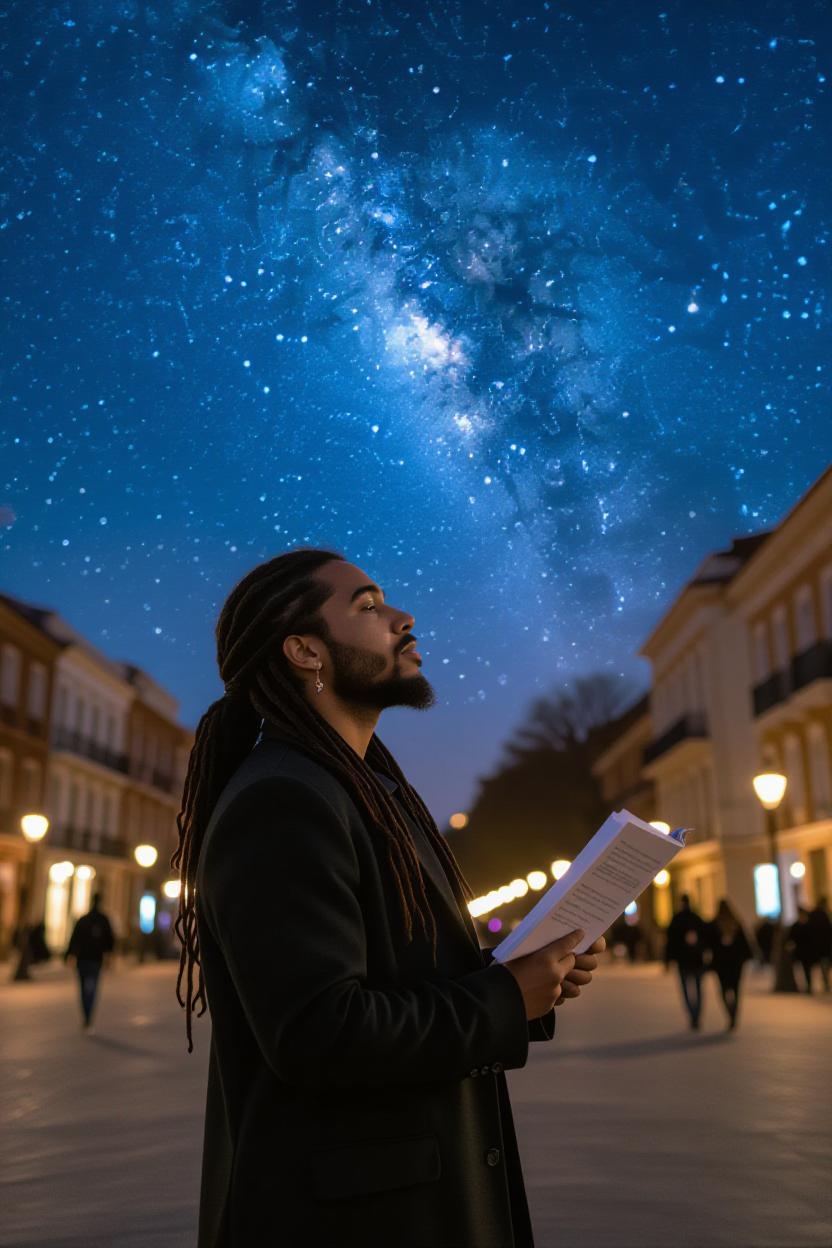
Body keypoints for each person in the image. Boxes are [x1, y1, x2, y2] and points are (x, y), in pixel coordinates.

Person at [173, 549, 605, 1248]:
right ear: (305, 650)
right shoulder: (284, 799)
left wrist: (524, 978)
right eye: (368, 607)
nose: (403, 619)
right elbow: (321, 1034)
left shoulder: (367, 788)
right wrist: (501, 999)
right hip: (350, 1217)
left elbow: (388, 974)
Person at [65, 893, 115, 1031]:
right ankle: (88, 1015)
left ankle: (86, 1014)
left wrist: (69, 955)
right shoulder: (103, 920)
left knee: (83, 988)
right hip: (95, 960)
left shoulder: (83, 920)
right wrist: (109, 956)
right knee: (92, 988)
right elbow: (110, 941)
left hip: (83, 959)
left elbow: (74, 938)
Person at [664, 894, 708, 1029]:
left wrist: (667, 960)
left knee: (685, 990)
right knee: (698, 989)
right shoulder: (696, 918)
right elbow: (705, 937)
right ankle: (697, 1015)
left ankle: (693, 1015)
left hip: (683, 961)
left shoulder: (676, 919)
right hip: (696, 960)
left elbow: (670, 942)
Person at [706, 899, 752, 1030]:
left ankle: (730, 1013)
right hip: (736, 962)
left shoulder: (714, 924)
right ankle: (734, 1014)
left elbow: (709, 944)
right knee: (736, 989)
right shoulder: (736, 923)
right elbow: (745, 942)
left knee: (723, 990)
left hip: (721, 963)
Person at [786, 906, 817, 993]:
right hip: (801, 951)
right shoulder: (797, 925)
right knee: (804, 970)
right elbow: (790, 938)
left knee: (807, 969)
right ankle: (806, 985)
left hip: (807, 951)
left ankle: (809, 985)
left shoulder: (808, 925)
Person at [807, 896, 831, 992]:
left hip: (816, 945)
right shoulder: (824, 914)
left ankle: (818, 983)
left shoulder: (813, 914)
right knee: (824, 964)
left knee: (820, 965)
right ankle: (825, 982)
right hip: (824, 945)